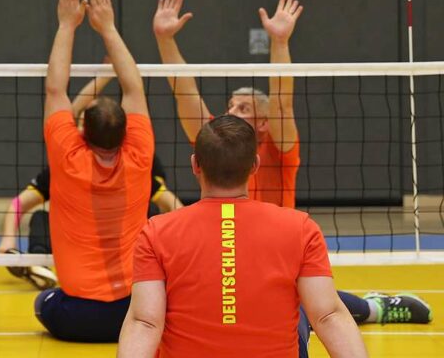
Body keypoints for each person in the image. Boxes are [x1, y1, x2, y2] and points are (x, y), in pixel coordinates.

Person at [153, 0, 432, 339]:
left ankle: (377, 307)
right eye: (230, 104)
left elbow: (282, 104)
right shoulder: (219, 143)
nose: (230, 111)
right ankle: (373, 307)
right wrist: (164, 40)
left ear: (263, 124)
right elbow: (184, 91)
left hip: (275, 259)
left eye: (242, 108)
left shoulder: (279, 148)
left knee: (299, 302)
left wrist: (279, 42)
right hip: (225, 255)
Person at [118, 115, 368, 357]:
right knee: (305, 311)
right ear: (255, 165)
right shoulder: (300, 227)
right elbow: (328, 317)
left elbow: (145, 322)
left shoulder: (156, 231)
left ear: (195, 164)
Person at [34, 0, 152, 343]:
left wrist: (67, 24)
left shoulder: (69, 157)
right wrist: (109, 28)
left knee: (43, 302)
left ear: (82, 131)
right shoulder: (140, 153)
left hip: (77, 316)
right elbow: (134, 88)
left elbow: (55, 89)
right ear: (126, 132)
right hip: (135, 314)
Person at [0, 74, 183, 290]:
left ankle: (152, 263)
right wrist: (8, 241)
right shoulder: (68, 165)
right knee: (41, 218)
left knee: (150, 213)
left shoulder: (132, 163)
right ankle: (39, 264)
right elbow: (19, 203)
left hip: (125, 241)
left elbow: (65, 107)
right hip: (93, 254)